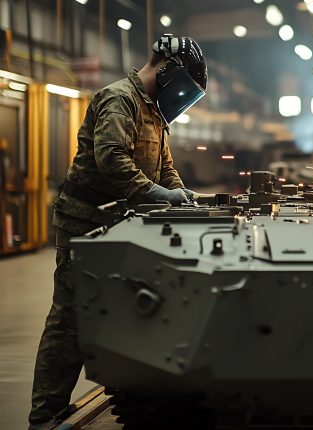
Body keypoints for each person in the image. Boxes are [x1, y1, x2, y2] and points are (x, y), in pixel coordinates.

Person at [28, 34, 207, 429]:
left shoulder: (154, 111)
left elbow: (164, 166)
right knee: (72, 315)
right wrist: (157, 193)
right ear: (167, 70)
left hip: (121, 221)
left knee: (123, 310)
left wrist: (179, 195)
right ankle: (45, 413)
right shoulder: (119, 98)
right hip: (85, 220)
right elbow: (111, 158)